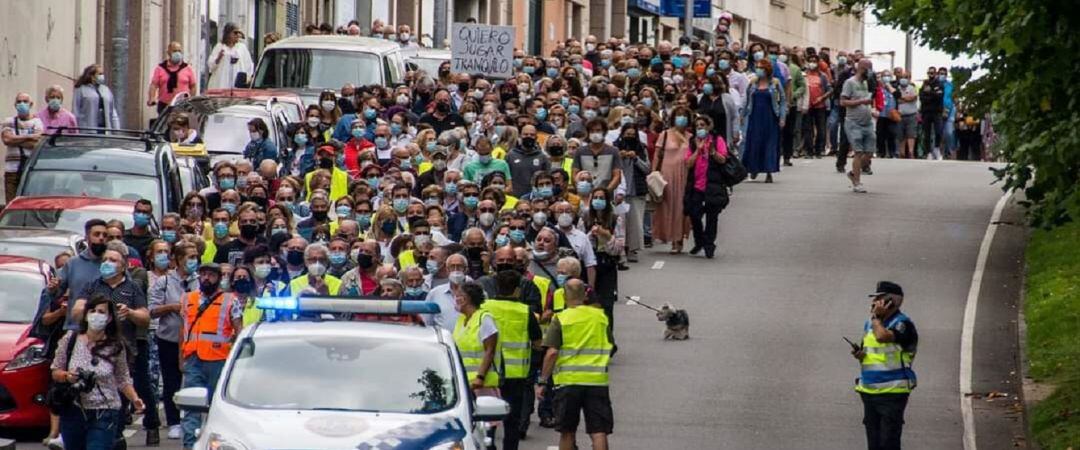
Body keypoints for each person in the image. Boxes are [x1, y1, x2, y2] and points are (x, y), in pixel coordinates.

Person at [51, 295, 145, 450]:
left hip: (105, 411)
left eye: (101, 312)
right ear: (86, 315)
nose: (96, 315)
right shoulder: (70, 339)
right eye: (92, 311)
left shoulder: (116, 346)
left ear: (109, 319)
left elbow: (122, 378)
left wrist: (135, 399)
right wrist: (68, 376)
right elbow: (55, 370)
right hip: (74, 410)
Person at [536, 279, 613, 450]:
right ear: (585, 295)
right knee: (599, 431)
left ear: (564, 295)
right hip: (596, 381)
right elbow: (611, 345)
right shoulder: (600, 316)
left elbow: (552, 352)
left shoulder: (561, 318)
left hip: (568, 382)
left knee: (567, 431)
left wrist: (542, 381)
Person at [180, 263, 242, 449]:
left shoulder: (231, 300)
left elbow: (239, 329)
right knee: (191, 406)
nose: (207, 278)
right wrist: (181, 357)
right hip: (193, 359)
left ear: (219, 278)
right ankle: (190, 445)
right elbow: (182, 330)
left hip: (219, 360)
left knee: (218, 406)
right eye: (203, 274)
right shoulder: (187, 298)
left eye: (211, 275)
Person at [851, 281, 918, 450]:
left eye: (879, 299)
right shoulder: (871, 324)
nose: (874, 303)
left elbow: (882, 337)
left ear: (891, 302)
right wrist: (861, 355)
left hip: (893, 392)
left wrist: (877, 318)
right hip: (869, 391)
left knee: (888, 442)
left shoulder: (902, 324)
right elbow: (873, 354)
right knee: (874, 444)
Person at [483, 270, 543, 450]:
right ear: (517, 290)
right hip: (515, 375)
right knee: (512, 422)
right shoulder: (525, 311)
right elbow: (538, 342)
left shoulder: (484, 307)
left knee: (487, 419)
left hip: (489, 372)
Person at [149, 241, 198, 441]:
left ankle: (194, 419)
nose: (194, 261)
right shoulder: (164, 282)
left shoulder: (200, 280)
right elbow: (152, 310)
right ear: (178, 259)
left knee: (194, 379)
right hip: (168, 338)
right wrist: (172, 307)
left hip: (194, 338)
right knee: (171, 381)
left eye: (196, 257)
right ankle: (174, 421)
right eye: (190, 257)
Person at [684, 116, 730, 259]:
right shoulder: (692, 143)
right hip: (696, 185)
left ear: (709, 127)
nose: (700, 129)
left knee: (712, 217)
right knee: (694, 214)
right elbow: (688, 164)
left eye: (703, 125)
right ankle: (700, 241)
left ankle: (709, 244)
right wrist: (698, 150)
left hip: (713, 185)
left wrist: (712, 152)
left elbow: (723, 159)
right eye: (697, 126)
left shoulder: (717, 140)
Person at [651, 106, 692, 253]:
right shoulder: (665, 135)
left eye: (684, 115)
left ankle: (679, 239)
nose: (681, 118)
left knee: (681, 207)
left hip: (684, 175)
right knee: (668, 206)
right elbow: (657, 155)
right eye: (678, 115)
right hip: (666, 174)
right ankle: (670, 238)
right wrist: (654, 173)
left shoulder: (690, 137)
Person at [741, 58, 786, 183]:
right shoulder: (752, 83)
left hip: (770, 118)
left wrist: (782, 117)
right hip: (754, 117)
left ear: (767, 70)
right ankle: (753, 168)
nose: (758, 70)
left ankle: (769, 171)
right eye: (757, 67)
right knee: (754, 143)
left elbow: (782, 101)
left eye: (761, 68)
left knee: (769, 144)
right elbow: (747, 100)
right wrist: (742, 115)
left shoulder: (775, 83)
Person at [452, 281, 500, 395]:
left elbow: (490, 350)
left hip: (482, 384)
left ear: (466, 299)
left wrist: (480, 377)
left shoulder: (484, 318)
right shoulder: (461, 320)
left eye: (458, 296)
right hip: (464, 383)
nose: (455, 299)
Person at [1, 92, 44, 204]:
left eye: (25, 101)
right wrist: (29, 136)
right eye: (19, 101)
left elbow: (36, 144)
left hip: (29, 170)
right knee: (11, 203)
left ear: (31, 104)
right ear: (15, 104)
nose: (22, 104)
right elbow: (6, 140)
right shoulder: (8, 121)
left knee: (27, 203)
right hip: (12, 171)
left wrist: (15, 139)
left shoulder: (37, 122)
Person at [841, 60, 876, 194]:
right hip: (853, 122)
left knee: (869, 152)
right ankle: (857, 182)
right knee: (858, 151)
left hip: (867, 122)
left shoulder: (866, 83)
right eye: (869, 68)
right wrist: (861, 101)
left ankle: (853, 172)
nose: (871, 72)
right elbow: (843, 101)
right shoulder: (850, 82)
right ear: (862, 68)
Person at [147, 41, 196, 115]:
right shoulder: (160, 68)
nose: (177, 53)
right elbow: (153, 85)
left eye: (179, 51)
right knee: (165, 125)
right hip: (165, 105)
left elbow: (193, 86)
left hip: (183, 105)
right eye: (175, 51)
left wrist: (191, 100)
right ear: (169, 52)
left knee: (182, 125)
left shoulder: (187, 68)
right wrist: (152, 98)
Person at [72, 64, 121, 131]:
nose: (102, 76)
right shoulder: (81, 89)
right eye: (100, 74)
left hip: (105, 130)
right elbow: (75, 111)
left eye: (102, 74)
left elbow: (112, 111)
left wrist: (116, 129)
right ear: (92, 76)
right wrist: (76, 129)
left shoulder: (106, 90)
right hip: (87, 130)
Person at [207, 23, 254, 89]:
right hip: (221, 83)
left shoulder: (241, 47)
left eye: (238, 33)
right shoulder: (219, 46)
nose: (237, 35)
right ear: (228, 33)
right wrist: (218, 58)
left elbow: (248, 65)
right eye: (235, 33)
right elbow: (211, 65)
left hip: (237, 85)